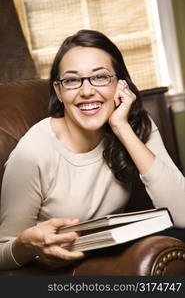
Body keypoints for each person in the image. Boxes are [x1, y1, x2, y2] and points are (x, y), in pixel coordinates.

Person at [0, 29, 185, 270]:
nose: (86, 91)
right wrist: (26, 244)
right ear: (59, 91)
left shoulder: (135, 124)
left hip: (109, 255)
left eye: (100, 77)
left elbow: (182, 215)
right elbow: (3, 251)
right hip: (54, 273)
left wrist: (121, 128)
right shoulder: (33, 152)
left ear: (120, 84)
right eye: (72, 80)